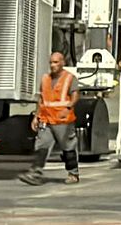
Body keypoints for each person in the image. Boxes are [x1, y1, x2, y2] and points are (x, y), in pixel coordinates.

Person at [18, 52, 80, 185]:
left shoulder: (70, 78)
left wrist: (68, 108)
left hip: (63, 121)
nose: (53, 65)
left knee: (68, 148)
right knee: (42, 146)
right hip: (46, 120)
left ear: (63, 62)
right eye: (51, 62)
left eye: (56, 62)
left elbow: (75, 96)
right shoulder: (45, 78)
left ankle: (73, 173)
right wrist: (36, 117)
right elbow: (41, 99)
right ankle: (35, 174)